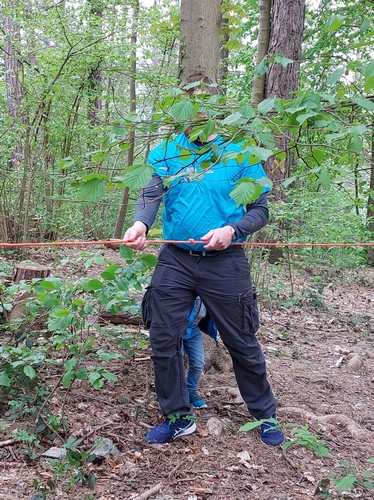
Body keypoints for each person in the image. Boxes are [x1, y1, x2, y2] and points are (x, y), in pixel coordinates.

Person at [124, 74, 284, 446]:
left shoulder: (240, 150)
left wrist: (232, 230)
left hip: (226, 262)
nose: (196, 114)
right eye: (189, 107)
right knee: (163, 338)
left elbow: (260, 209)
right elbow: (149, 196)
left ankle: (265, 416)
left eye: (204, 105)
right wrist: (139, 224)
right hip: (175, 259)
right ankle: (178, 416)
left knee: (241, 340)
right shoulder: (164, 152)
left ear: (215, 109)